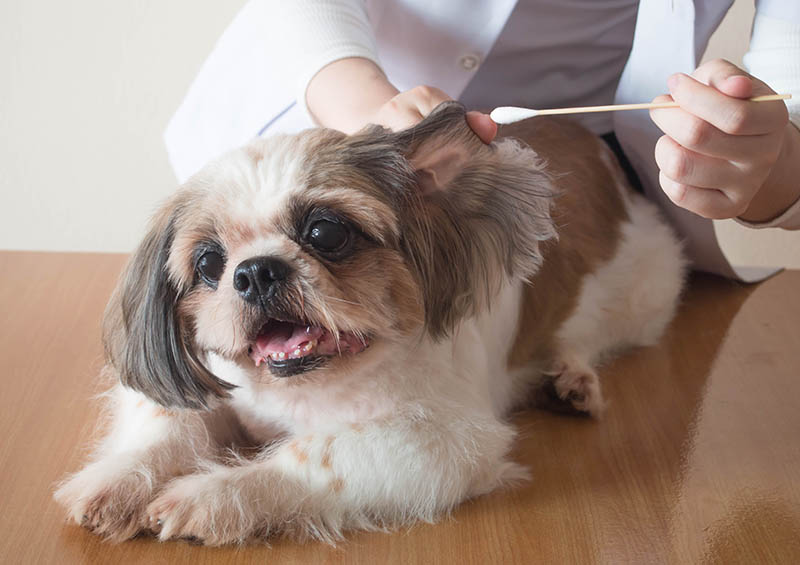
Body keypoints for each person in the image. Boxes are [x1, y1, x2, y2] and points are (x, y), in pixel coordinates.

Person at [164, 0, 800, 280]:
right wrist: (367, 115)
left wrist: (765, 168)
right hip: (311, 116)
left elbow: (789, 109)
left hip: (573, 196)